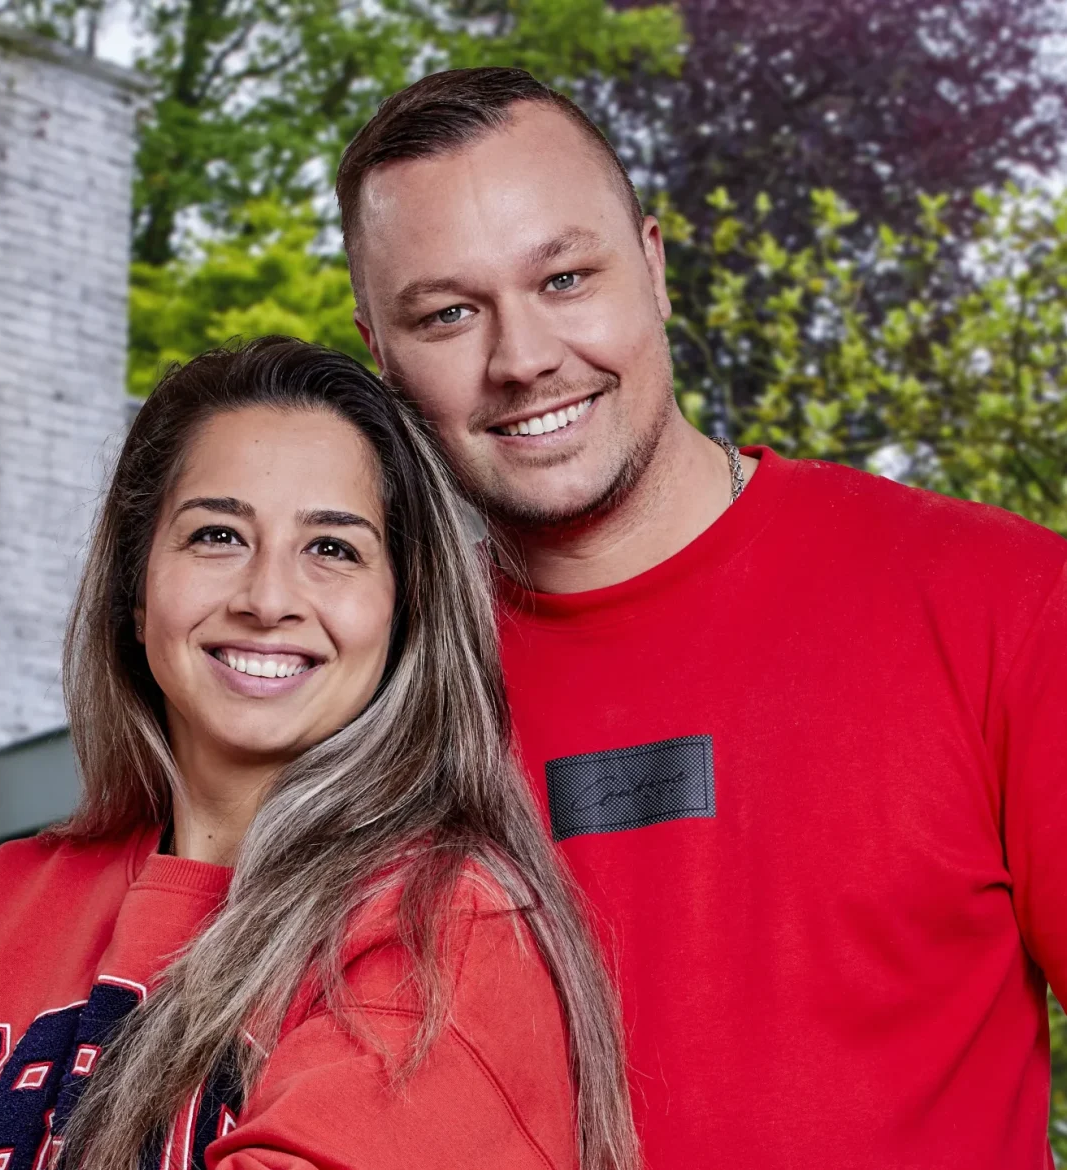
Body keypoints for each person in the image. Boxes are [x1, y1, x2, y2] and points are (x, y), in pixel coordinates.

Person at [336, 68, 1067, 1168]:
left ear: (655, 267)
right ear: (379, 355)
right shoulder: (365, 702)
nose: (524, 357)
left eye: (567, 277)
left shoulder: (998, 599)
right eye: (447, 313)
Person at [0, 338, 639, 1170]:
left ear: (404, 617)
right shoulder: (0, 912)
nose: (267, 599)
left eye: (332, 549)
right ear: (134, 595)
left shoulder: (443, 930)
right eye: (217, 535)